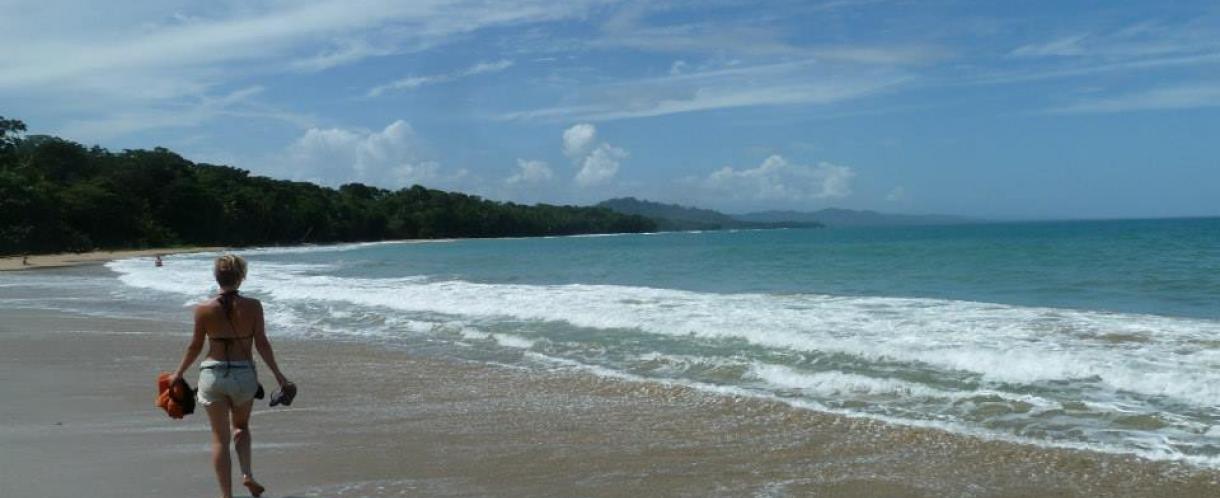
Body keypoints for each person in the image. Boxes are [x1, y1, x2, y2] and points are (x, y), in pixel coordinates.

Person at [170, 254, 292, 498]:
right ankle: (247, 474)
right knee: (242, 428)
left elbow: (194, 346)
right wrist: (279, 375)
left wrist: (178, 373)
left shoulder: (203, 309)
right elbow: (262, 344)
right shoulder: (254, 306)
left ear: (216, 277)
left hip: (212, 376)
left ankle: (227, 496)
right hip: (244, 375)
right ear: (241, 277)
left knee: (219, 439)